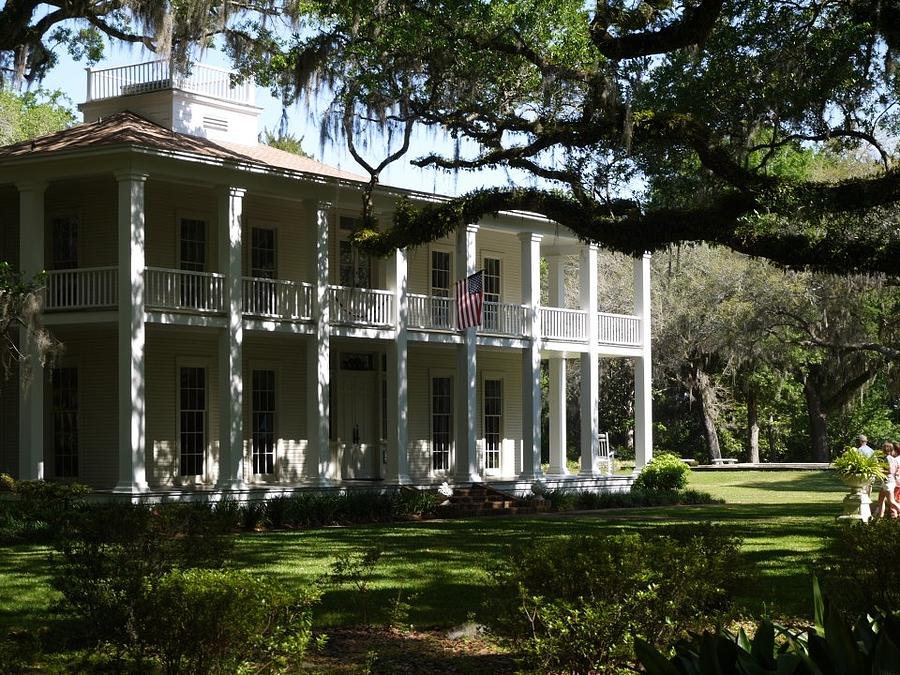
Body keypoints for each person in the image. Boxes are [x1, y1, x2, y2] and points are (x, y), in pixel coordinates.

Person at [874, 442, 900, 519]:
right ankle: (880, 517)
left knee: (891, 501)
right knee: (880, 501)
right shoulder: (893, 459)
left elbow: (889, 471)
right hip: (888, 482)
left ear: (885, 449)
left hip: (888, 482)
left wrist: (878, 471)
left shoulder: (887, 459)